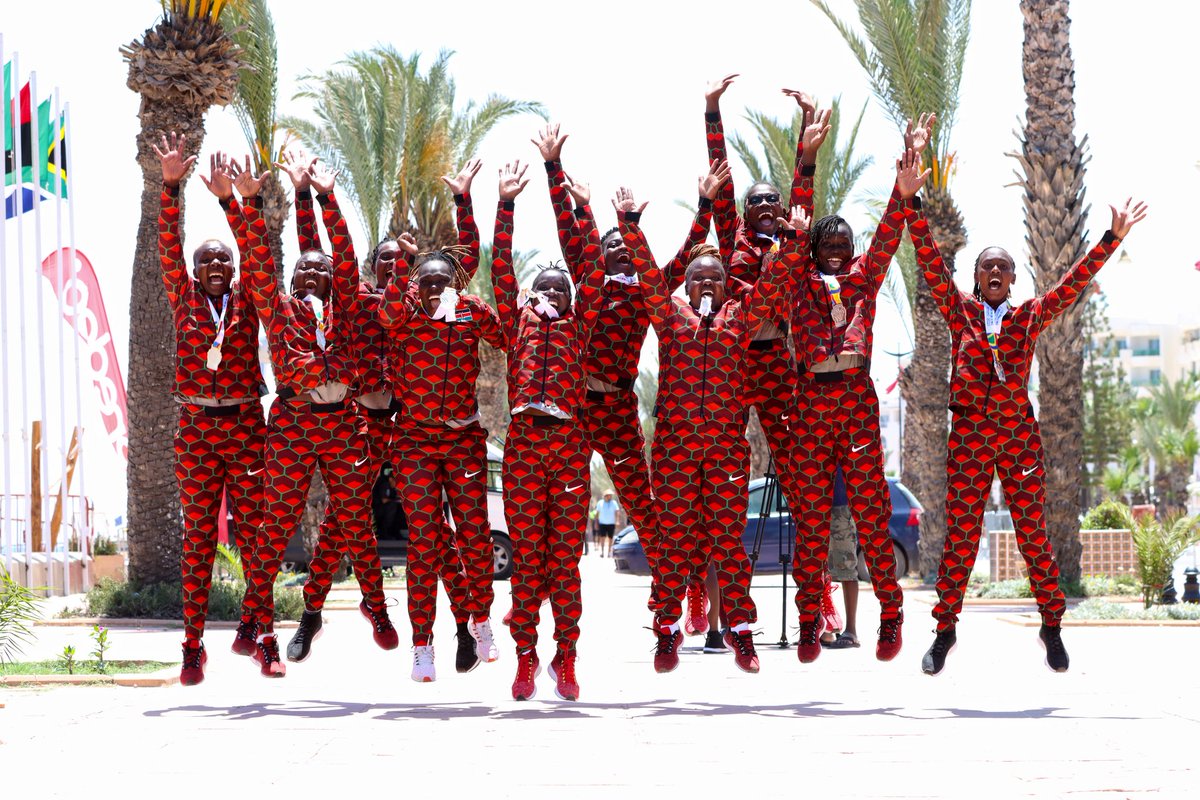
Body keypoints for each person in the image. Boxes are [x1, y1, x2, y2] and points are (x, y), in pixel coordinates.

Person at [899, 124, 1148, 675]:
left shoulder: (1028, 315)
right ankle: (944, 634)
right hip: (966, 436)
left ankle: (1052, 626)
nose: (993, 272)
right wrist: (910, 198)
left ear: (1012, 279)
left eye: (1002, 267)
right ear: (975, 276)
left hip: (1016, 435)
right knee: (961, 539)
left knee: (1033, 533)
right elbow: (925, 256)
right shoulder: (958, 309)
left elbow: (1070, 286)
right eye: (985, 266)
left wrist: (1110, 239)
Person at [622, 186, 811, 675]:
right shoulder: (670, 317)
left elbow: (772, 285)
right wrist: (630, 223)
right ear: (686, 288)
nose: (707, 285)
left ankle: (741, 634)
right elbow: (645, 276)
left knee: (729, 541)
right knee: (674, 541)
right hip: (675, 450)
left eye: (715, 279)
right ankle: (665, 633)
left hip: (727, 447)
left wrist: (793, 241)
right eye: (698, 280)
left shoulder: (739, 321)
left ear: (726, 287)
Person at [530, 124, 720, 596]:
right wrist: (555, 170)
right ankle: (535, 596)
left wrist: (704, 206)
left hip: (616, 409)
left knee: (643, 503)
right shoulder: (588, 281)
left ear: (637, 256)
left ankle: (679, 590)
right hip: (574, 408)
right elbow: (567, 227)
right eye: (609, 245)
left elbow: (687, 257)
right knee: (564, 509)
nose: (616, 250)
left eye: (625, 246)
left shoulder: (648, 291)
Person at [232, 156, 397, 678]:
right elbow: (258, 258)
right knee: (274, 525)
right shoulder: (281, 309)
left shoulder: (347, 308)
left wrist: (325, 198)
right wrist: (246, 203)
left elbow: (344, 256)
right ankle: (253, 622)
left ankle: (375, 603)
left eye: (320, 270)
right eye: (304, 268)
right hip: (294, 424)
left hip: (343, 421)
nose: (312, 272)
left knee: (354, 516)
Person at [694, 76, 833, 640]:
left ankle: (818, 596)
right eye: (759, 203)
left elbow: (803, 194)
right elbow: (721, 181)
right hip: (731, 362)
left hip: (778, 363)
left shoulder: (793, 242)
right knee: (718, 484)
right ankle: (698, 602)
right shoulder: (733, 240)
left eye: (773, 202)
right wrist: (711, 111)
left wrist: (807, 143)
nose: (769, 208)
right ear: (745, 213)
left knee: (801, 483)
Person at [787, 126, 911, 665]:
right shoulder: (798, 282)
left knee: (870, 516)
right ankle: (811, 620)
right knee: (812, 523)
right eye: (827, 246)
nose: (836, 253)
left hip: (857, 405)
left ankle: (891, 614)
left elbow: (888, 235)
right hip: (812, 406)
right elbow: (797, 221)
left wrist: (902, 190)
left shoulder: (863, 279)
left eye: (843, 246)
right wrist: (806, 162)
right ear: (814, 250)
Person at [378, 186, 507, 683]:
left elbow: (509, 335)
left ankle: (479, 621)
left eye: (443, 282)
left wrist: (465, 202)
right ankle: (421, 645)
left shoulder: (470, 311)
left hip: (463, 438)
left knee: (475, 536)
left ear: (455, 282)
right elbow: (387, 313)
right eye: (426, 283)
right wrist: (400, 269)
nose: (435, 290)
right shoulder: (405, 310)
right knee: (425, 544)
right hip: (413, 441)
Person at [153, 135, 267, 687]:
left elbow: (261, 256)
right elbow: (166, 247)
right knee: (198, 539)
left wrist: (233, 203)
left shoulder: (250, 298)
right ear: (195, 272)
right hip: (196, 427)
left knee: (255, 537)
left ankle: (260, 635)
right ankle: (193, 647)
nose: (218, 261)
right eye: (208, 258)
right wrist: (171, 186)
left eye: (224, 255)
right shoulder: (184, 297)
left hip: (246, 424)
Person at [493, 161, 605, 701]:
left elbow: (595, 272)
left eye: (561, 291)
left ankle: (566, 658)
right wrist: (505, 204)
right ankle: (525, 658)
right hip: (522, 446)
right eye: (545, 290)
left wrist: (582, 207)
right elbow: (499, 271)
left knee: (564, 563)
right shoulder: (518, 324)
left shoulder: (580, 327)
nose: (552, 297)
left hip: (565, 446)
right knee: (526, 562)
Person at [595, 490, 619, 558]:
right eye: (609, 495)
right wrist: (596, 523)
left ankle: (609, 553)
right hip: (602, 523)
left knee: (610, 539)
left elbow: (617, 511)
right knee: (602, 538)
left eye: (611, 495)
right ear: (605, 496)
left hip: (611, 523)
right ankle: (602, 552)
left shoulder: (614, 503)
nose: (610, 496)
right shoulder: (600, 503)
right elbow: (597, 513)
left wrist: (617, 520)